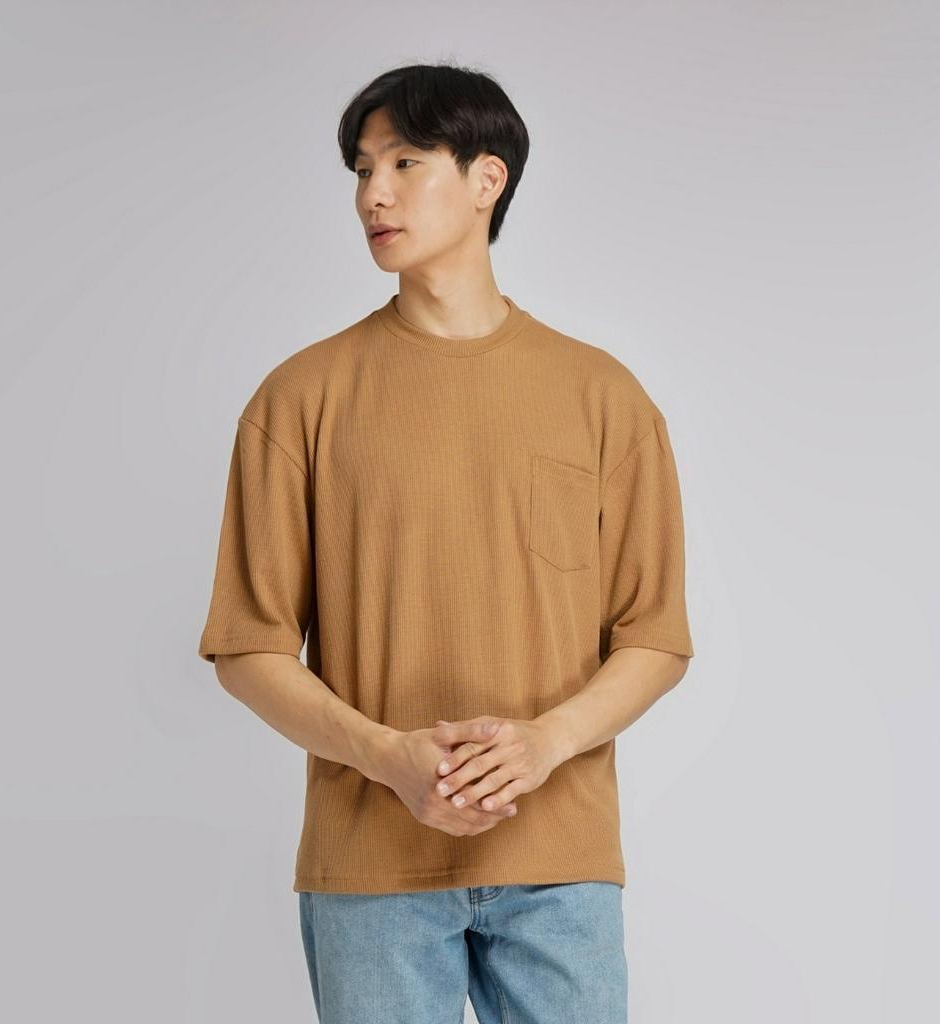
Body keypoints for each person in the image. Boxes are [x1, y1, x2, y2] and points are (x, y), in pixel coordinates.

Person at [197, 61, 695, 1024]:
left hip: (561, 861)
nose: (371, 195)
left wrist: (547, 743)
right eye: (361, 169)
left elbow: (656, 636)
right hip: (369, 871)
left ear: (486, 179)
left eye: (404, 162)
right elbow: (248, 647)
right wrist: (387, 756)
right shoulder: (300, 400)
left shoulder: (603, 397)